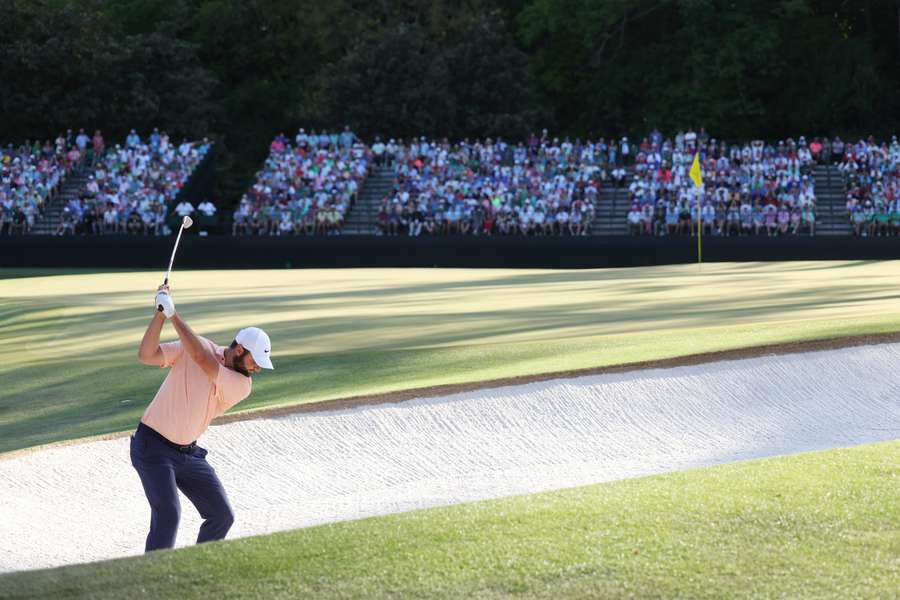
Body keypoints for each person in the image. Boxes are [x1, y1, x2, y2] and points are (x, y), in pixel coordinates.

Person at [132, 285, 273, 552]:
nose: (257, 369)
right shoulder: (198, 346)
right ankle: (152, 580)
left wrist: (174, 314)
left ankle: (195, 569)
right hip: (152, 448)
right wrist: (161, 314)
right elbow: (146, 355)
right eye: (255, 361)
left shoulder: (242, 384)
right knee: (169, 515)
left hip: (188, 455)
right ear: (240, 349)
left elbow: (202, 359)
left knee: (222, 515)